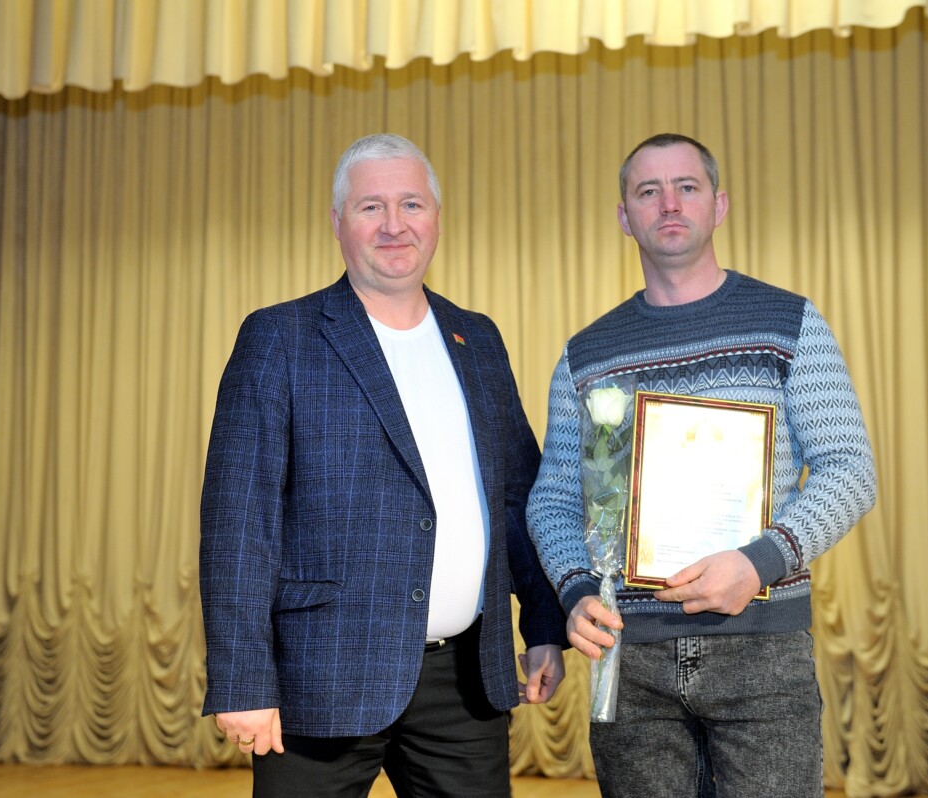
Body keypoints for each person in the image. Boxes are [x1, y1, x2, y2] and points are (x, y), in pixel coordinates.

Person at [200, 133, 567, 798]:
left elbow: (518, 496)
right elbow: (238, 524)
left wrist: (542, 624)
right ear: (338, 222)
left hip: (465, 685)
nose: (394, 225)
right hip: (320, 680)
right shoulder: (280, 338)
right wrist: (243, 681)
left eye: (411, 205)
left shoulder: (478, 338)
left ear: (437, 218)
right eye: (371, 207)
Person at [527, 133, 877, 797]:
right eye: (648, 191)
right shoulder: (587, 354)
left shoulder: (789, 323)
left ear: (718, 205)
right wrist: (576, 591)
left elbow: (849, 470)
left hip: (761, 650)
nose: (669, 204)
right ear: (624, 216)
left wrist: (758, 563)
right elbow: (553, 500)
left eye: (686, 187)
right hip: (631, 658)